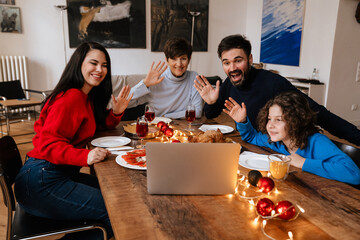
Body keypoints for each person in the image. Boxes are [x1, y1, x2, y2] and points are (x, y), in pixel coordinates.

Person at [14, 42, 133, 240]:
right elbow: (47, 143)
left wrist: (117, 111)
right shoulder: (70, 98)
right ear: (79, 64)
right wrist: (86, 155)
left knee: (118, 195)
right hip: (40, 182)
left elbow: (96, 124)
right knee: (117, 209)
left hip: (52, 174)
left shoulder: (85, 96)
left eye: (104, 65)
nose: (100, 69)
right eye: (93, 63)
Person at [194, 34, 360, 146]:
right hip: (250, 145)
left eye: (238, 61)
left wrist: (357, 137)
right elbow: (211, 114)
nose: (232, 68)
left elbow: (317, 113)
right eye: (226, 63)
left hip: (278, 149)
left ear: (250, 59)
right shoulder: (228, 84)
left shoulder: (273, 83)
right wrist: (211, 102)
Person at [224, 91, 360, 184]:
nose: (270, 125)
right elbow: (251, 137)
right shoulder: (276, 141)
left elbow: (354, 174)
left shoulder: (317, 142)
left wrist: (302, 162)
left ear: (295, 121)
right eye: (269, 119)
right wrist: (242, 121)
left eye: (278, 120)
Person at [128, 37, 203, 119]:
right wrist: (145, 84)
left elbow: (197, 112)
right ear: (167, 60)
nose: (179, 64)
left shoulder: (193, 77)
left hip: (182, 126)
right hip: (156, 126)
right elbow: (126, 102)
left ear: (189, 59)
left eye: (183, 59)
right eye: (174, 59)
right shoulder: (157, 79)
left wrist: (166, 116)